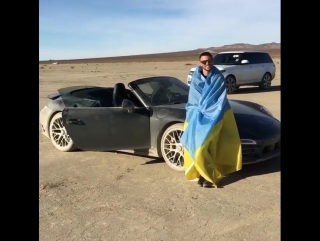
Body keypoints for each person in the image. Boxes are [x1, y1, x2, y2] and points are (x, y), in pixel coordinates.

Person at [180, 51, 242, 188]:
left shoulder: (218, 77)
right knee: (196, 146)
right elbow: (193, 98)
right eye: (204, 62)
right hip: (196, 117)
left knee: (208, 147)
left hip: (215, 116)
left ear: (213, 61)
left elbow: (218, 99)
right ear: (200, 63)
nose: (207, 64)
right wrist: (197, 111)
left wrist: (206, 109)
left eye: (209, 61)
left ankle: (209, 176)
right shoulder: (196, 76)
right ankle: (203, 174)